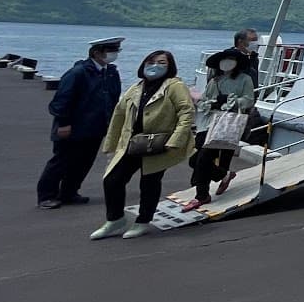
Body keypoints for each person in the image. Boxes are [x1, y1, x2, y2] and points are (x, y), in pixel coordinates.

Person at [91, 51, 195, 240]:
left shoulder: (174, 86)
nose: (155, 65)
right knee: (112, 180)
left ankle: (143, 221)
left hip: (158, 144)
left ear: (169, 66)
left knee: (149, 183)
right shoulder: (136, 88)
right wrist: (111, 143)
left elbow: (186, 112)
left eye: (161, 62)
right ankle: (115, 219)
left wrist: (176, 140)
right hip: (132, 144)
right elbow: (119, 115)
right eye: (151, 61)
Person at [37, 36, 124, 209]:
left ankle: (69, 192)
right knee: (61, 161)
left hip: (95, 127)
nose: (114, 55)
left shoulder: (111, 72)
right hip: (73, 126)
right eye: (110, 51)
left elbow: (113, 99)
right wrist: (64, 123)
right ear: (97, 53)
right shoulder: (78, 73)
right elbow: (62, 100)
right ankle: (46, 196)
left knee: (84, 162)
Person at [183, 48, 256, 210]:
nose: (226, 62)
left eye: (230, 59)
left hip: (228, 124)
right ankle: (224, 174)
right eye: (224, 60)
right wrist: (210, 103)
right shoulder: (214, 81)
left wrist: (232, 101)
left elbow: (249, 100)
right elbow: (204, 101)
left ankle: (201, 195)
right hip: (208, 124)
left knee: (203, 159)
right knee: (195, 160)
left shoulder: (245, 79)